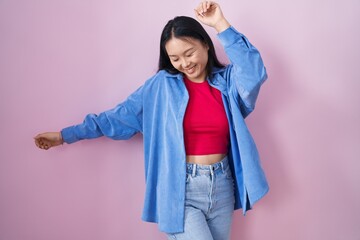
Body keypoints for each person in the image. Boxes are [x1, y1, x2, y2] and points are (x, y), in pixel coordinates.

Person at [34, 1, 269, 239]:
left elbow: (254, 73)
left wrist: (220, 24)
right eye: (175, 58)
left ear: (206, 46)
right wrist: (65, 135)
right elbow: (115, 118)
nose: (185, 64)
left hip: (222, 185)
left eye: (189, 53)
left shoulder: (227, 83)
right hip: (180, 189)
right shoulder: (160, 87)